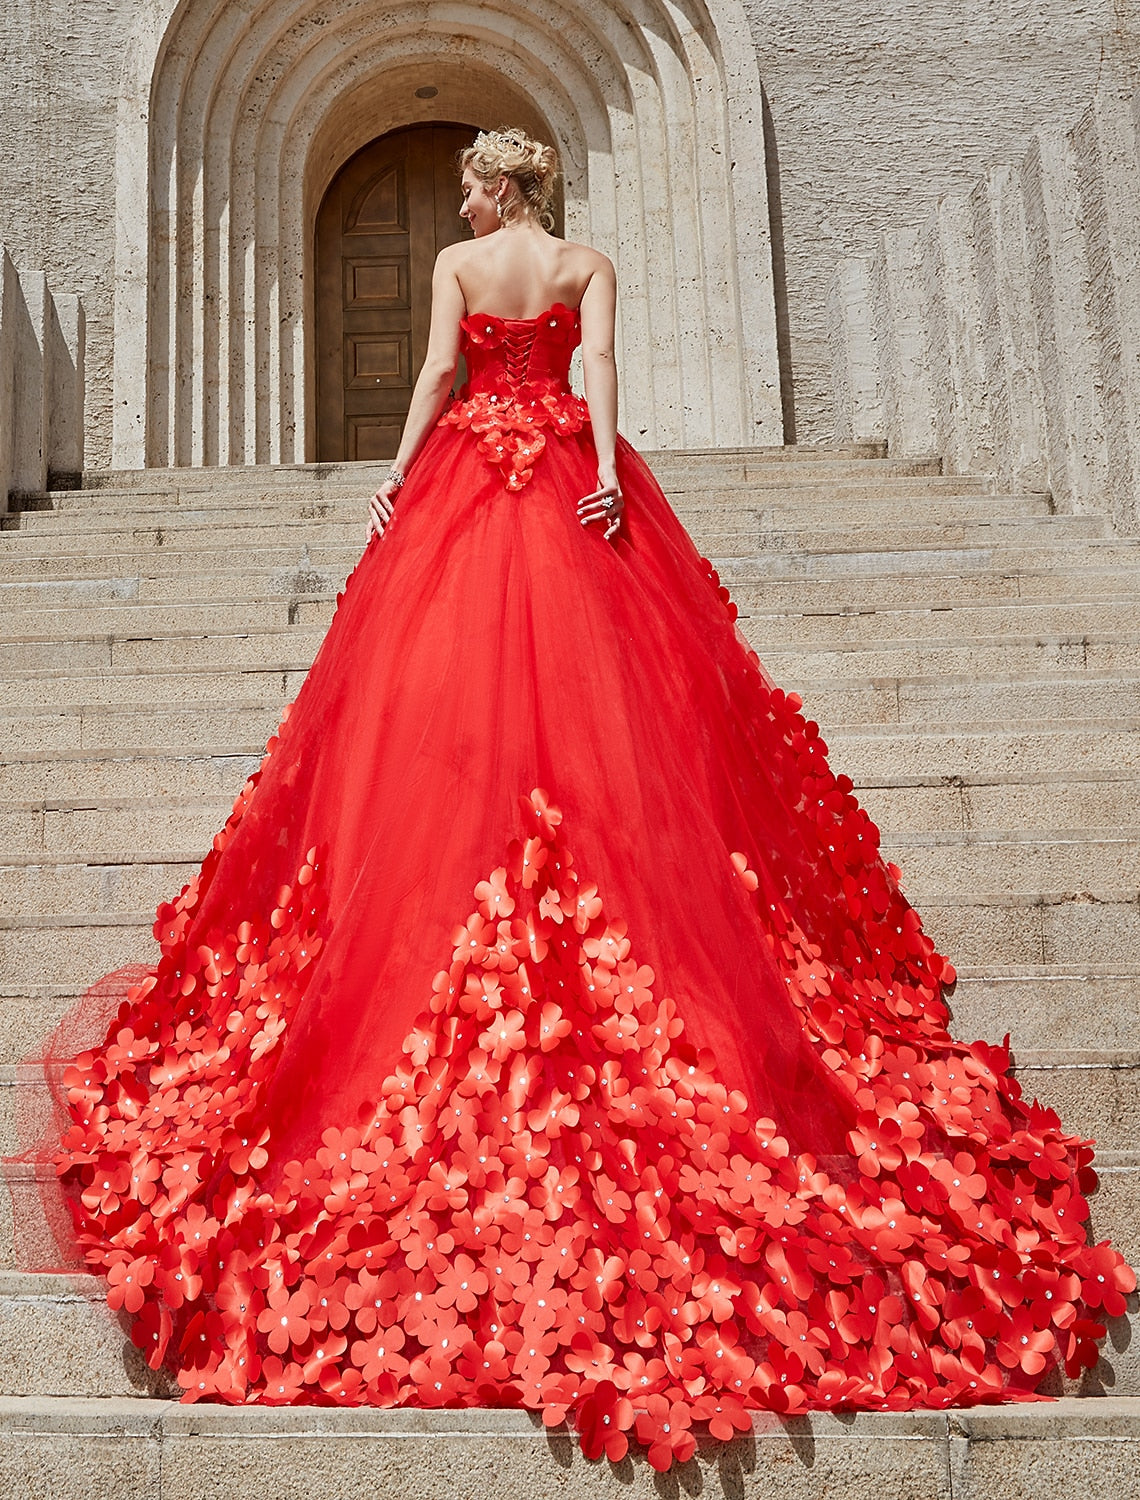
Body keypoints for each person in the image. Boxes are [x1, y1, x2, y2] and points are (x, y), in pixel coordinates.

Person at [28, 127, 1134, 1470]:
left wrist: (390, 483)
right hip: (567, 472)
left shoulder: (454, 264)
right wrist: (606, 469)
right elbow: (601, 368)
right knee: (624, 705)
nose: (460, 202)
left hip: (465, 485)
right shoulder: (584, 262)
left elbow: (436, 370)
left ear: (500, 189)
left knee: (441, 693)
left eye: (470, 185)